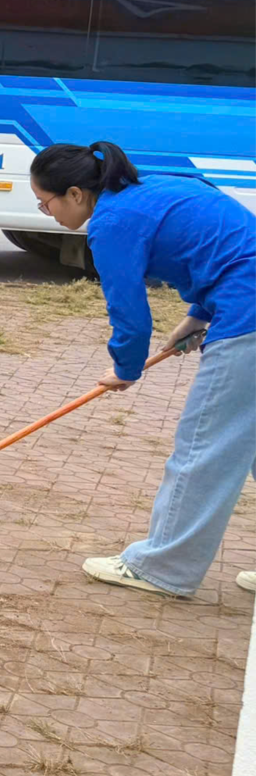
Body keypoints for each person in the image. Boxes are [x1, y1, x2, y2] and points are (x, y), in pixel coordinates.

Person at [29, 141, 256, 597]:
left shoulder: (111, 222)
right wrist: (199, 315)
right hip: (239, 299)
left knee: (203, 445)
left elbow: (130, 315)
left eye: (44, 202)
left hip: (247, 314)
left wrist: (127, 368)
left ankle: (163, 568)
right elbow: (227, 247)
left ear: (75, 194)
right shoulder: (156, 187)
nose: (44, 212)